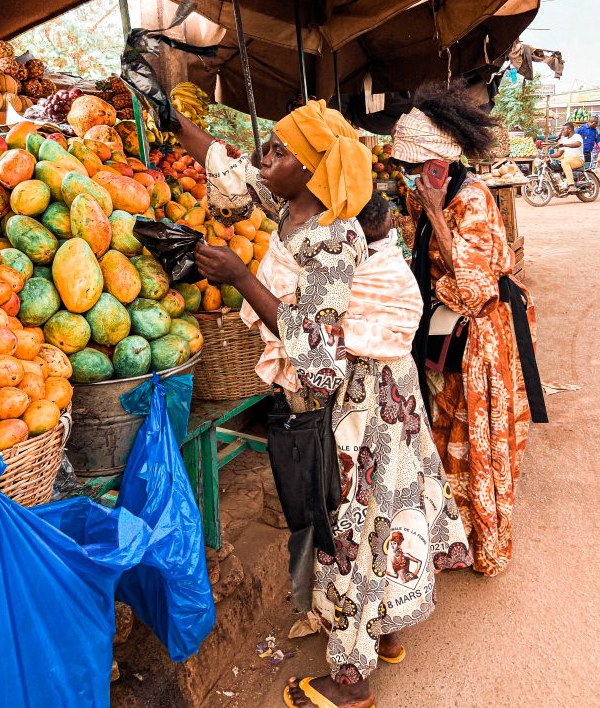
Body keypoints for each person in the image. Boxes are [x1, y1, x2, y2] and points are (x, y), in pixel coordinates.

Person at [173, 101, 469, 708]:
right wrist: (173, 119)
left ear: (311, 170)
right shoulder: (294, 205)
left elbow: (320, 360)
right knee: (380, 512)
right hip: (376, 392)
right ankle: (382, 633)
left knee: (349, 526)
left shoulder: (330, 238)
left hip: (359, 403)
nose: (265, 157)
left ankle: (350, 681)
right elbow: (233, 168)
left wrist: (240, 277)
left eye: (279, 150)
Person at [391, 80, 546, 577]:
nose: (407, 177)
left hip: (480, 333)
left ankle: (486, 543)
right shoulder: (420, 194)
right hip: (444, 328)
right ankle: (450, 536)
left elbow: (475, 289)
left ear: (440, 164)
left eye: (414, 168)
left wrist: (436, 214)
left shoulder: (471, 201)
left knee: (478, 437)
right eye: (405, 168)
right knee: (445, 428)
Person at [551, 122, 585, 189]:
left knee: (564, 162)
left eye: (564, 129)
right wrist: (548, 155)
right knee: (553, 163)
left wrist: (564, 145)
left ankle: (571, 185)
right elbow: (558, 154)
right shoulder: (564, 140)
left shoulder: (577, 136)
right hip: (567, 159)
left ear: (569, 129)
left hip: (578, 159)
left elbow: (577, 144)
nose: (562, 131)